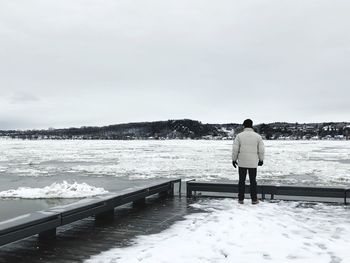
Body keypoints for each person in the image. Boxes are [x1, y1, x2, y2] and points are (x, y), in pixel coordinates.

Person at [232, 119, 265, 204]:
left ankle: (240, 199)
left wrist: (234, 160)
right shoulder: (258, 136)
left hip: (242, 162)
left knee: (241, 181)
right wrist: (261, 160)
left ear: (244, 125)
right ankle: (254, 200)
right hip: (253, 163)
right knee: (253, 181)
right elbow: (261, 150)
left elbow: (235, 149)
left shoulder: (239, 136)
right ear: (252, 125)